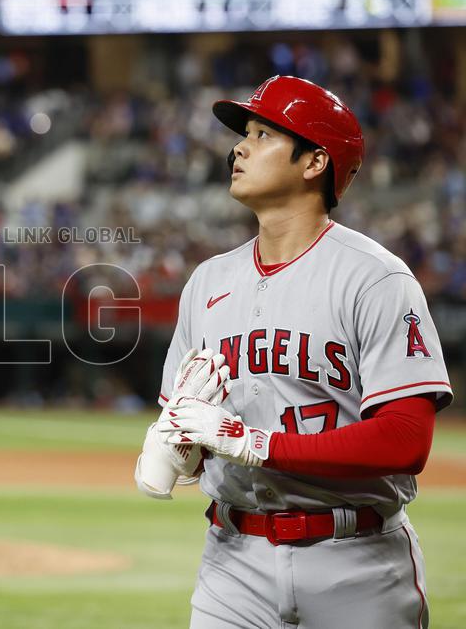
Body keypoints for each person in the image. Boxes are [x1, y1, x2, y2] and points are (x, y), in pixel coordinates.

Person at [142, 76, 452, 628]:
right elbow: (186, 426)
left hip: (357, 561)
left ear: (314, 163)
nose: (239, 146)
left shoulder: (375, 278)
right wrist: (182, 444)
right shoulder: (208, 281)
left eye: (263, 135)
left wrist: (253, 443)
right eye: (244, 135)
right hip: (232, 558)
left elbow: (407, 439)